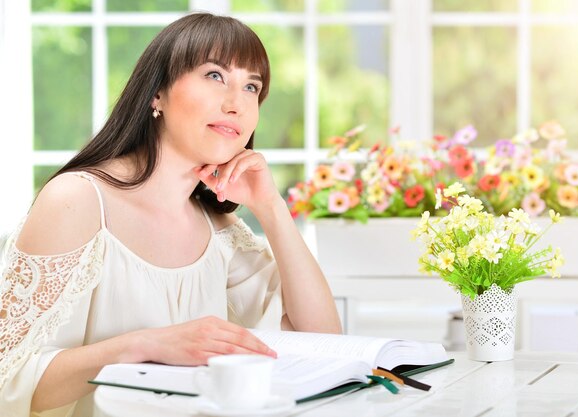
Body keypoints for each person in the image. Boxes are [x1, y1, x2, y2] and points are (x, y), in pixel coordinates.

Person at [0, 12, 341, 417]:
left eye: (252, 87)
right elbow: (8, 379)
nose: (236, 104)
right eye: (215, 76)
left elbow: (323, 339)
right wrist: (142, 345)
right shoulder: (76, 200)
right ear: (156, 93)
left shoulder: (218, 228)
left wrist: (271, 208)